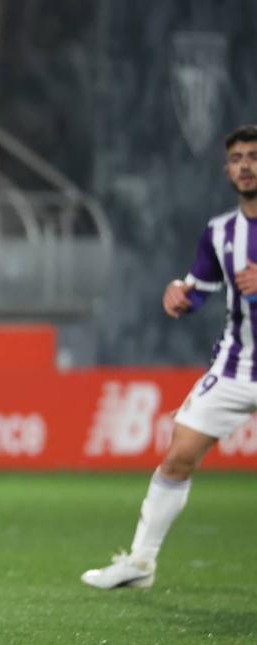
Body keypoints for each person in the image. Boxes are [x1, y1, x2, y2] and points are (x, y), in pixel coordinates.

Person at [82, 125, 257, 590]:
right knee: (178, 455)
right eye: (237, 157)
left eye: (254, 156)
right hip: (236, 368)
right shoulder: (220, 232)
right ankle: (141, 563)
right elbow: (199, 287)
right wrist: (181, 296)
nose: (245, 165)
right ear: (227, 170)